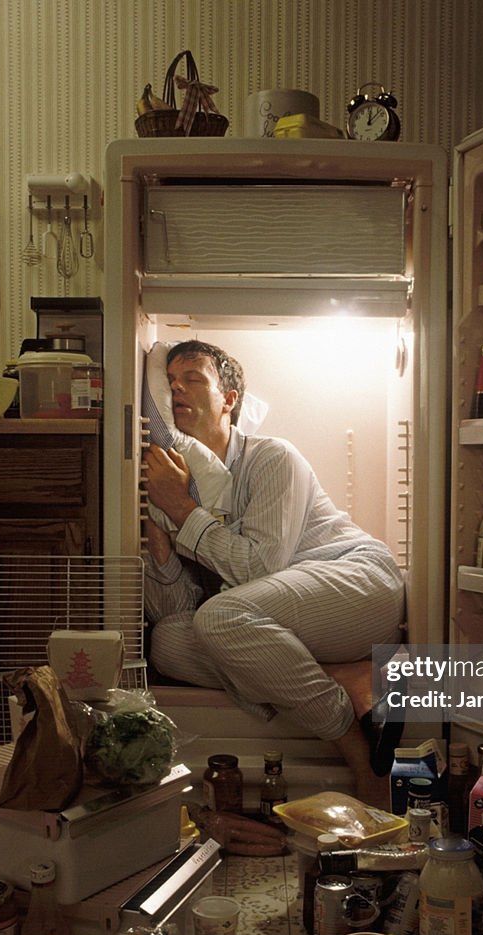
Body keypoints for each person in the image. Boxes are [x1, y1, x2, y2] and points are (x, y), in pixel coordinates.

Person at [142, 340, 405, 809]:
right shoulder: (178, 478)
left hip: (357, 584)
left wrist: (182, 510)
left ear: (229, 399)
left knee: (220, 619)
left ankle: (361, 758)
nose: (178, 387)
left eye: (195, 378)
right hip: (276, 627)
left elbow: (261, 568)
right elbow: (178, 613)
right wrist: (156, 533)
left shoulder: (271, 457)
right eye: (170, 382)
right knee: (166, 641)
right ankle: (340, 674)